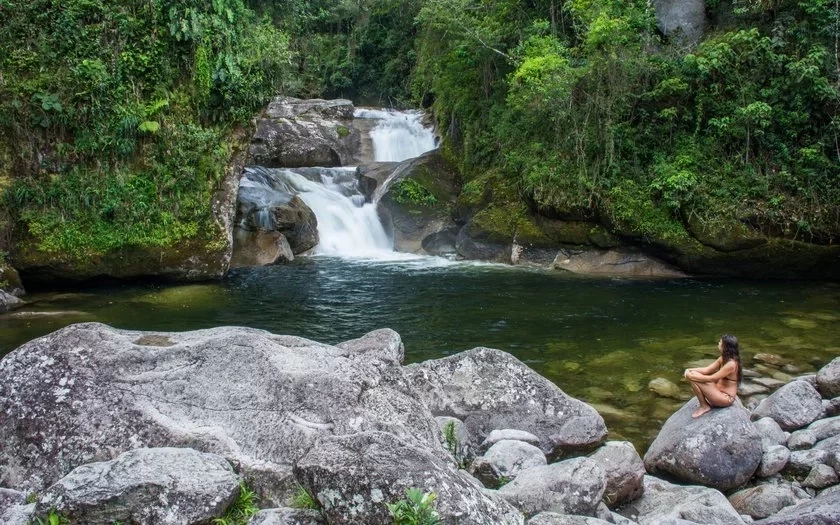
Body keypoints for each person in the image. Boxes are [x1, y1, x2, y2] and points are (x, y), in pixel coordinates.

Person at [684, 334, 742, 418]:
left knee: (694, 378)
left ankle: (704, 406)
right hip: (717, 393)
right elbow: (707, 370)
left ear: (725, 347)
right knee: (694, 376)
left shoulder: (731, 364)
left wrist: (692, 376)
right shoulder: (723, 358)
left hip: (725, 398)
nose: (718, 343)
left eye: (720, 342)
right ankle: (704, 405)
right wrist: (690, 370)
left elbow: (712, 378)